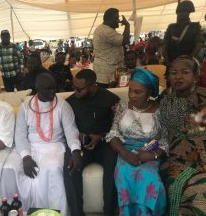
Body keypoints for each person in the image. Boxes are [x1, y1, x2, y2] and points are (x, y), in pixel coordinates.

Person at [0, 73, 82, 216]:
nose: (52, 92)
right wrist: (26, 157)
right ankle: (16, 211)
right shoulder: (25, 107)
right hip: (28, 147)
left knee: (52, 169)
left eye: (54, 88)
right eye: (48, 89)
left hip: (54, 147)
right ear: (37, 88)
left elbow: (71, 131)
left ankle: (54, 212)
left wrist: (75, 151)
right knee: (9, 167)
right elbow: (19, 135)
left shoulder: (63, 105)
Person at [107, 68, 168, 216]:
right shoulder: (122, 107)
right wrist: (124, 153)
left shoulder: (160, 111)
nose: (132, 95)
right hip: (125, 151)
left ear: (149, 92)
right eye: (130, 90)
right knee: (124, 173)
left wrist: (152, 155)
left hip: (149, 152)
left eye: (138, 92)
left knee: (150, 178)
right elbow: (113, 134)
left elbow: (165, 140)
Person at [64, 69, 119, 216]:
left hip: (105, 143)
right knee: (71, 168)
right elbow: (67, 127)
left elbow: (118, 126)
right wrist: (78, 134)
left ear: (93, 86)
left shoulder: (110, 99)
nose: (75, 91)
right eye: (73, 87)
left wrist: (100, 136)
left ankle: (109, 212)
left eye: (79, 89)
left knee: (113, 168)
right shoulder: (70, 102)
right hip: (81, 144)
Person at [159, 56, 206, 215]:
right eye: (173, 73)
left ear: (195, 76)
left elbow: (200, 132)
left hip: (201, 157)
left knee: (200, 187)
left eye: (185, 72)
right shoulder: (165, 97)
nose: (178, 77)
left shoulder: (203, 97)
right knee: (177, 185)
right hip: (170, 156)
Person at [93, 8, 130, 88]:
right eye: (116, 18)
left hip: (109, 68)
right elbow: (124, 41)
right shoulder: (106, 31)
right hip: (106, 71)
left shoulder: (105, 29)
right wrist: (127, 25)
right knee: (106, 93)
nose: (119, 21)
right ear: (110, 19)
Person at [163, 0, 204, 67]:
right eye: (180, 12)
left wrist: (188, 61)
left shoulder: (195, 27)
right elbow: (164, 47)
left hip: (188, 63)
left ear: (188, 13)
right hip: (171, 62)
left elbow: (199, 45)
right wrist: (168, 63)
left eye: (184, 12)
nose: (181, 14)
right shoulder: (171, 27)